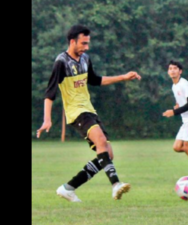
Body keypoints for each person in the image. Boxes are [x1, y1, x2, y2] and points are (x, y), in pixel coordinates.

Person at [36, 24, 141, 202]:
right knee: (101, 142)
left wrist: (123, 77)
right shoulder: (61, 62)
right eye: (83, 43)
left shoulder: (85, 59)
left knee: (107, 154)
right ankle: (115, 184)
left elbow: (95, 80)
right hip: (76, 112)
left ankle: (68, 188)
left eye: (87, 43)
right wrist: (47, 119)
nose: (86, 47)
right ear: (72, 41)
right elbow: (50, 92)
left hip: (89, 110)